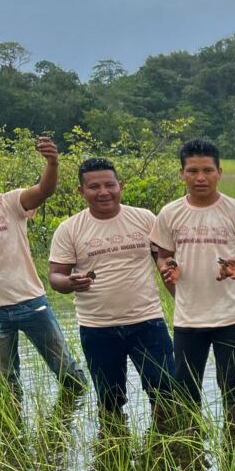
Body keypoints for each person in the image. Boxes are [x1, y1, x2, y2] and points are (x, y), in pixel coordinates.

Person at [149, 138, 235, 471]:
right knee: (187, 387)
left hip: (230, 315)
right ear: (182, 173)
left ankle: (234, 447)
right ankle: (190, 451)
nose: (201, 177)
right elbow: (162, 254)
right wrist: (169, 270)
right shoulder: (170, 214)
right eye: (193, 170)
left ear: (219, 172)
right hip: (188, 318)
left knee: (231, 383)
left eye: (207, 170)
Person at [48, 158, 174, 436]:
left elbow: (163, 259)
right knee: (110, 399)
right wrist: (69, 282)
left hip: (148, 322)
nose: (103, 191)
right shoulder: (69, 229)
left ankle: (164, 452)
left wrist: (175, 277)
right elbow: (56, 276)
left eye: (109, 184)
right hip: (97, 328)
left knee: (165, 391)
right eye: (94, 186)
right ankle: (113, 451)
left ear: (121, 186)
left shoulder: (144, 218)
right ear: (81, 191)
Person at [0, 140, 86, 414]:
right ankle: (14, 447)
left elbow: (45, 190)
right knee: (6, 385)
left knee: (67, 371)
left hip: (32, 304)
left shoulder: (10, 202)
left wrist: (53, 163)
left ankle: (76, 424)